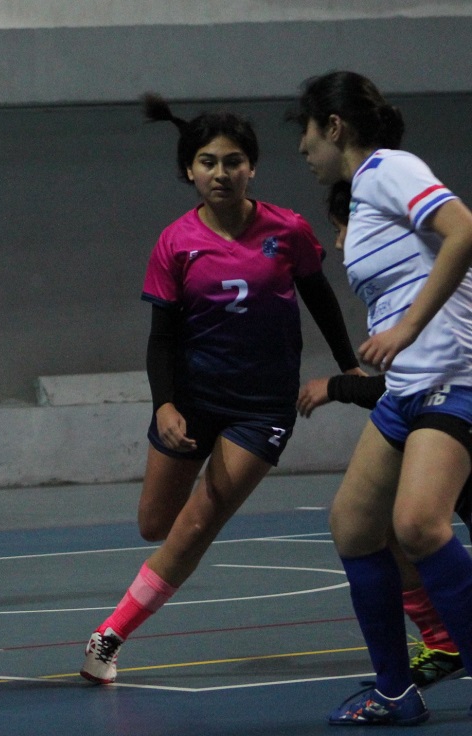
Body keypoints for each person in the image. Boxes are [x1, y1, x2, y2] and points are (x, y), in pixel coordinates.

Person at [79, 95, 359, 686]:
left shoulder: (288, 230)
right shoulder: (175, 242)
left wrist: (348, 366)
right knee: (156, 524)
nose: (221, 173)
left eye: (233, 161)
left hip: (261, 409)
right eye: (208, 162)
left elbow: (322, 301)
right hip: (192, 400)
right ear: (190, 171)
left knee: (198, 523)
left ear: (251, 167)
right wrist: (166, 404)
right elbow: (161, 337)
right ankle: (173, 551)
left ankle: (108, 636)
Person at [291, 76, 472, 721]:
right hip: (408, 390)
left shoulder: (388, 169)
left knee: (420, 525)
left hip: (456, 376)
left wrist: (407, 328)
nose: (303, 149)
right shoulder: (363, 198)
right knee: (354, 526)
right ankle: (395, 691)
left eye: (306, 133)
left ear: (333, 126)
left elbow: (464, 231)